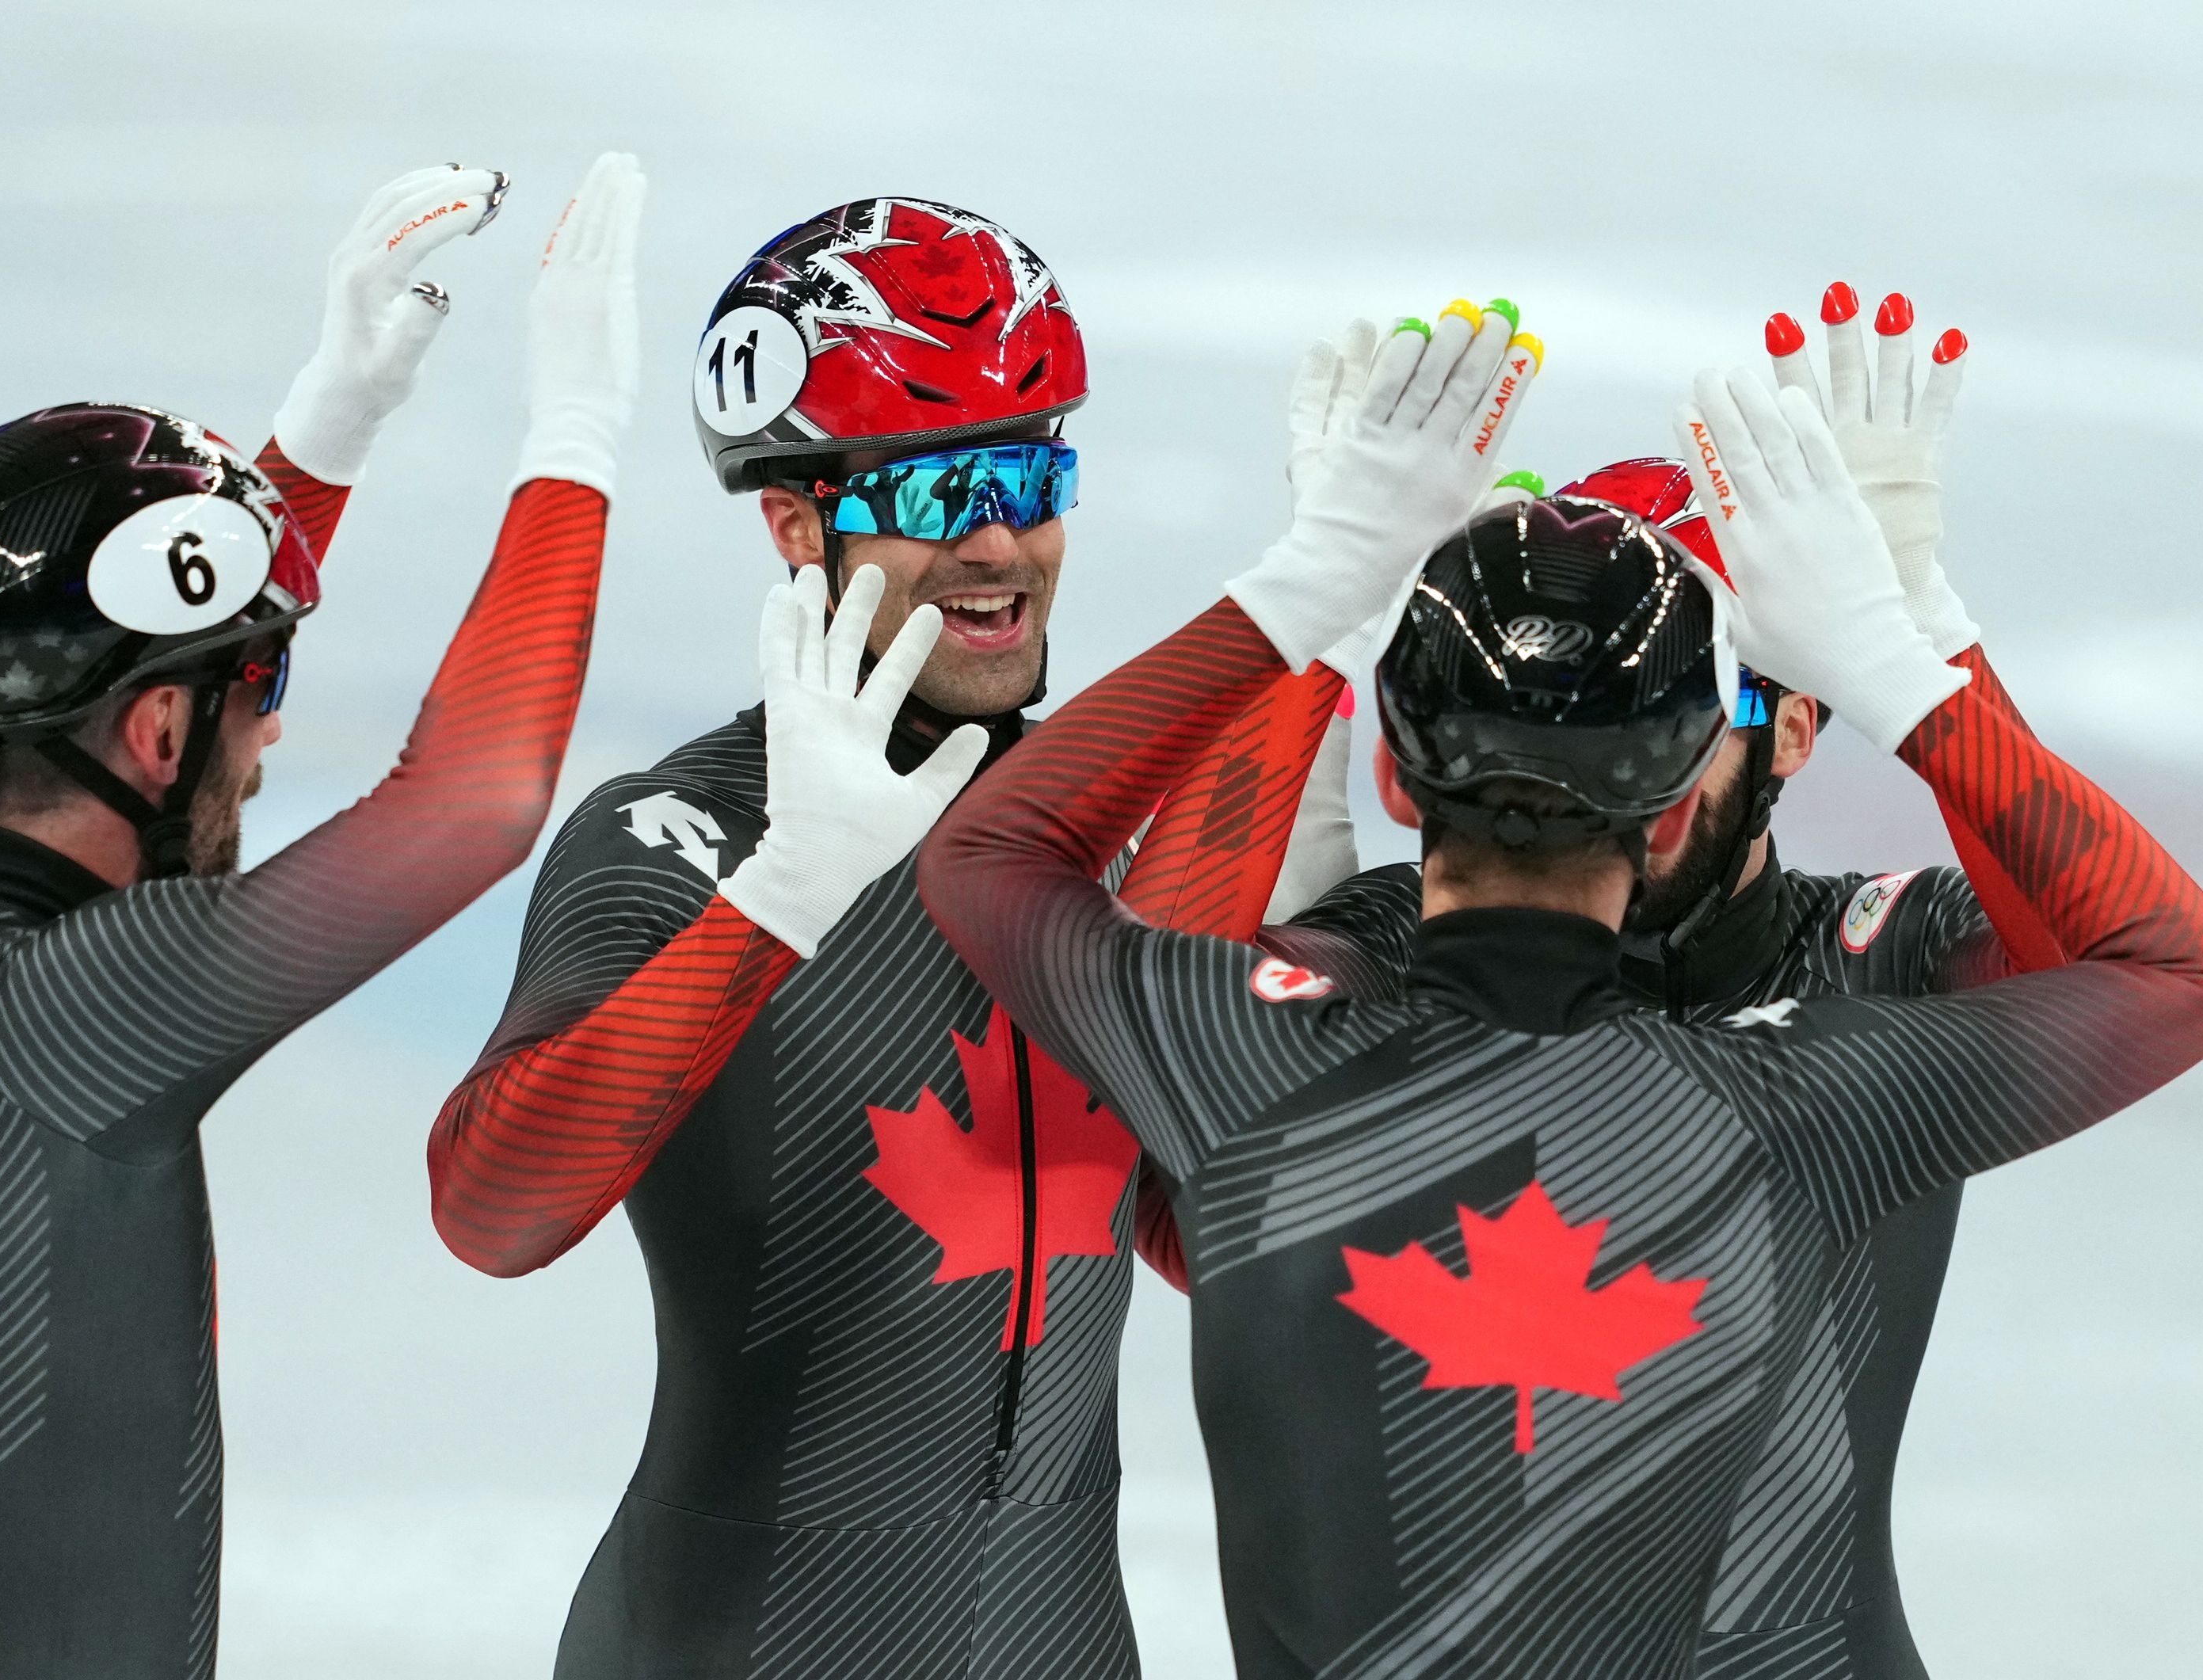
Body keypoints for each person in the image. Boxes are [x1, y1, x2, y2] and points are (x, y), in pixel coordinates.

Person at [917, 319, 2203, 1678]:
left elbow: (2081, 953)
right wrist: (1913, 656)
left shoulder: (1875, 946)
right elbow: (1170, 1197)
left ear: (1799, 720)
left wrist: (1925, 632)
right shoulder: (1417, 945)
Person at [425, 196, 1534, 1676]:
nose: (1000, 541)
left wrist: (1329, 631)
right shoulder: (680, 839)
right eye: (944, 494)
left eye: (1030, 471)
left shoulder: (1104, 836)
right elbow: (494, 1211)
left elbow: (1202, 1216)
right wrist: (779, 903)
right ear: (796, 521)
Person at [0, 154, 641, 1679]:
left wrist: (326, 431)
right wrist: (574, 436)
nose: (273, 738)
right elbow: (476, 800)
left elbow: (170, 645)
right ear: (159, 739)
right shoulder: (72, 1010)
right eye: (261, 697)